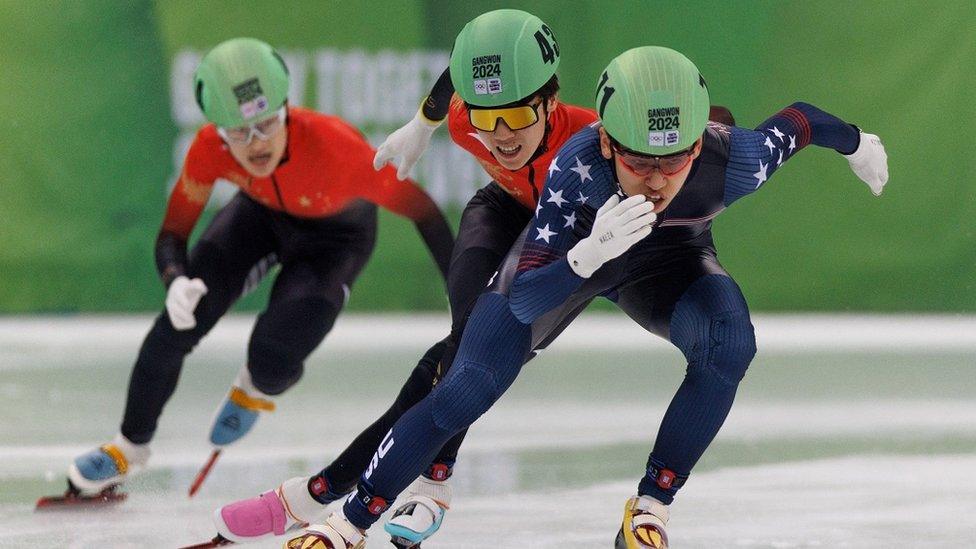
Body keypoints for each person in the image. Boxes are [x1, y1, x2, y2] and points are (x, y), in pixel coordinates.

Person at [284, 45, 888, 549]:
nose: (655, 179)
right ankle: (349, 522)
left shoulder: (737, 160)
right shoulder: (577, 171)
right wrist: (585, 255)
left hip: (668, 265)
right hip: (573, 256)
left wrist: (858, 142)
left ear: (700, 147)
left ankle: (651, 507)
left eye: (673, 160)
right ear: (605, 144)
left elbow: (804, 122)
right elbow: (522, 302)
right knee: (467, 380)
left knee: (730, 345)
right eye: (637, 160)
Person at [208, 9, 602, 547]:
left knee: (471, 353)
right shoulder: (466, 118)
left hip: (564, 242)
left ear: (550, 100)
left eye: (515, 115)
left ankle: (325, 492)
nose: (501, 136)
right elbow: (453, 83)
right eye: (486, 118)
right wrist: (424, 123)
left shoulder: (595, 142)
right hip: (500, 211)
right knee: (461, 348)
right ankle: (421, 487)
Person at [63, 37, 454, 498]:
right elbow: (173, 235)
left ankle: (255, 385)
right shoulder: (209, 150)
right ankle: (128, 447)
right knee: (173, 328)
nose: (256, 144)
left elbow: (425, 213)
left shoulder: (335, 147)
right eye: (239, 133)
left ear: (287, 109)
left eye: (267, 124)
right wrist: (175, 281)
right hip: (260, 217)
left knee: (274, 355)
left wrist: (464, 301)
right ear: (218, 132)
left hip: (336, 239)